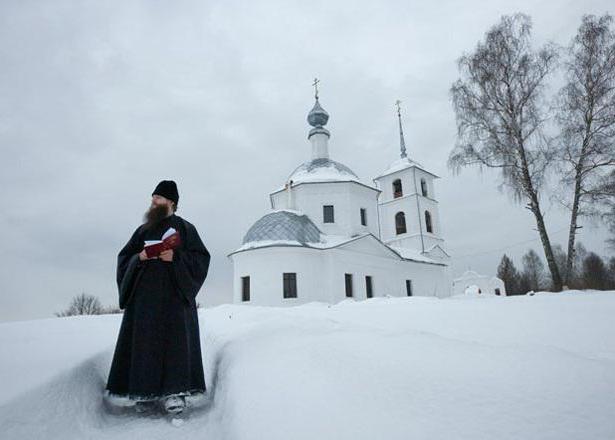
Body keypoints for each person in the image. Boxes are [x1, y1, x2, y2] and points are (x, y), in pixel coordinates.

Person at [105, 180, 211, 415]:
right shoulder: (142, 231)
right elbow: (125, 259)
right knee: (145, 344)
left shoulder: (186, 229)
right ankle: (144, 391)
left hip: (175, 300)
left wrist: (175, 257)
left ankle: (175, 394)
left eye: (159, 198)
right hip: (144, 301)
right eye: (152, 197)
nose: (153, 201)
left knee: (175, 344)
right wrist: (140, 257)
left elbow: (201, 259)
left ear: (171, 202)